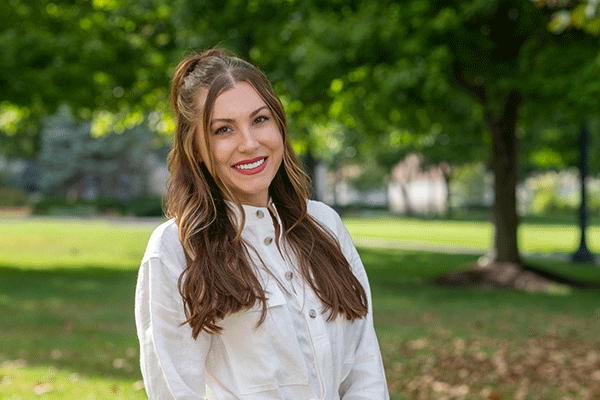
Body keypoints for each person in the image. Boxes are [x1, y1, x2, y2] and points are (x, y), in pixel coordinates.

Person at [135, 48, 389, 400]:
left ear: (279, 124)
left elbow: (366, 370)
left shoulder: (325, 224)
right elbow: (175, 392)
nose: (249, 143)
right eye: (223, 129)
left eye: (259, 120)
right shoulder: (175, 251)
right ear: (195, 148)